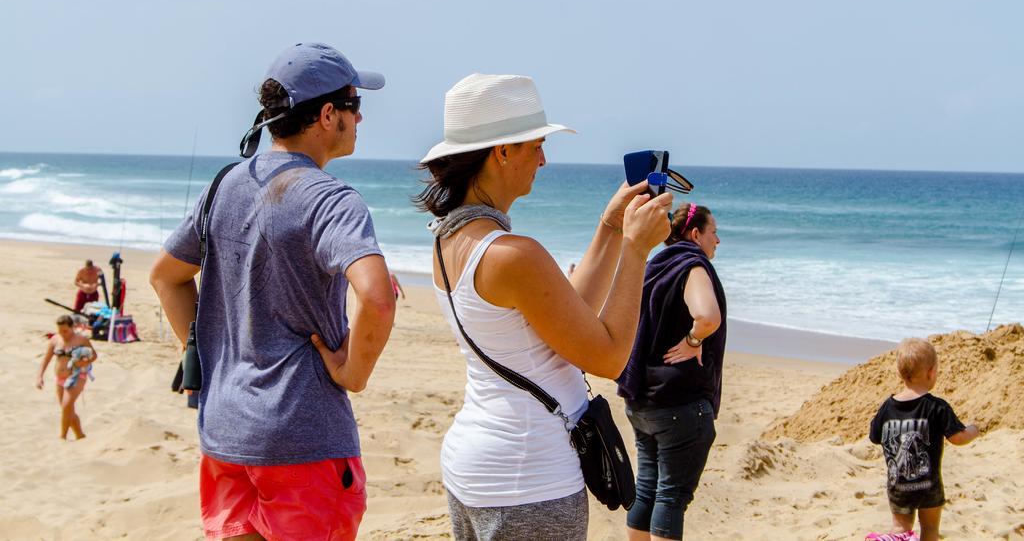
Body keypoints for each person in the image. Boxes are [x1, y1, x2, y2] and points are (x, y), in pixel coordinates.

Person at [149, 43, 397, 541]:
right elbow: (377, 296)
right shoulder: (331, 199)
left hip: (226, 432)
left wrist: (207, 355)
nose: (360, 117)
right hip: (302, 437)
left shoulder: (224, 185)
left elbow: (166, 277)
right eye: (353, 105)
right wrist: (354, 373)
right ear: (328, 115)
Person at [416, 73, 673, 541]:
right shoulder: (513, 253)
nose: (543, 159)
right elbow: (609, 356)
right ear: (503, 151)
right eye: (535, 145)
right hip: (528, 479)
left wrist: (611, 228)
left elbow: (565, 313)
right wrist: (637, 251)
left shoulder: (449, 240)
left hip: (478, 465)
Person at [616, 202, 726, 541]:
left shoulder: (653, 265)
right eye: (714, 233)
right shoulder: (692, 266)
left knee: (647, 489)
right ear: (695, 235)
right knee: (671, 497)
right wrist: (694, 340)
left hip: (643, 400)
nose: (718, 241)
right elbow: (707, 316)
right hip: (680, 403)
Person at [867, 338, 980, 541]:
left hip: (898, 484)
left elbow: (875, 436)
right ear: (931, 372)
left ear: (901, 374)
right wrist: (974, 429)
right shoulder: (937, 407)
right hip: (929, 485)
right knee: (929, 529)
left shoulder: (887, 407)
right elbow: (958, 437)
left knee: (900, 527)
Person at [36, 314, 98, 440]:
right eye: (60, 331)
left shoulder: (81, 340)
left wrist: (84, 362)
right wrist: (40, 376)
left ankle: (62, 437)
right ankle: (80, 435)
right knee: (67, 409)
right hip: (60, 378)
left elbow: (93, 355)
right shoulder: (55, 340)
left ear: (72, 327)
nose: (63, 334)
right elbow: (46, 359)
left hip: (76, 376)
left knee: (66, 406)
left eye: (66, 331)